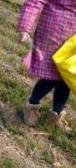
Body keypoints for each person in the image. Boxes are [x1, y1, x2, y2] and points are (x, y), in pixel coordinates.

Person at [18, 0, 76, 131]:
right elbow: (34, 1)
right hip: (53, 33)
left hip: (73, 40)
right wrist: (25, 27)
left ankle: (56, 114)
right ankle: (32, 105)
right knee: (50, 77)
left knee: (66, 79)